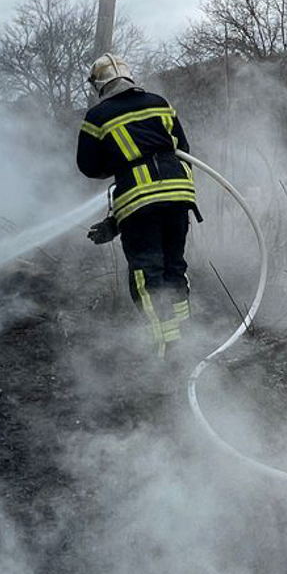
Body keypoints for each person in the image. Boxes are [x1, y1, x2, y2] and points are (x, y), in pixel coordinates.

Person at [76, 54, 199, 354]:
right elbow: (182, 148)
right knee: (174, 264)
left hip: (138, 200)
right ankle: (188, 338)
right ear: (129, 77)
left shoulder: (97, 117)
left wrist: (119, 163)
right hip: (179, 193)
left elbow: (89, 166)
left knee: (146, 273)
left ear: (98, 85)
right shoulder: (159, 102)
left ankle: (166, 349)